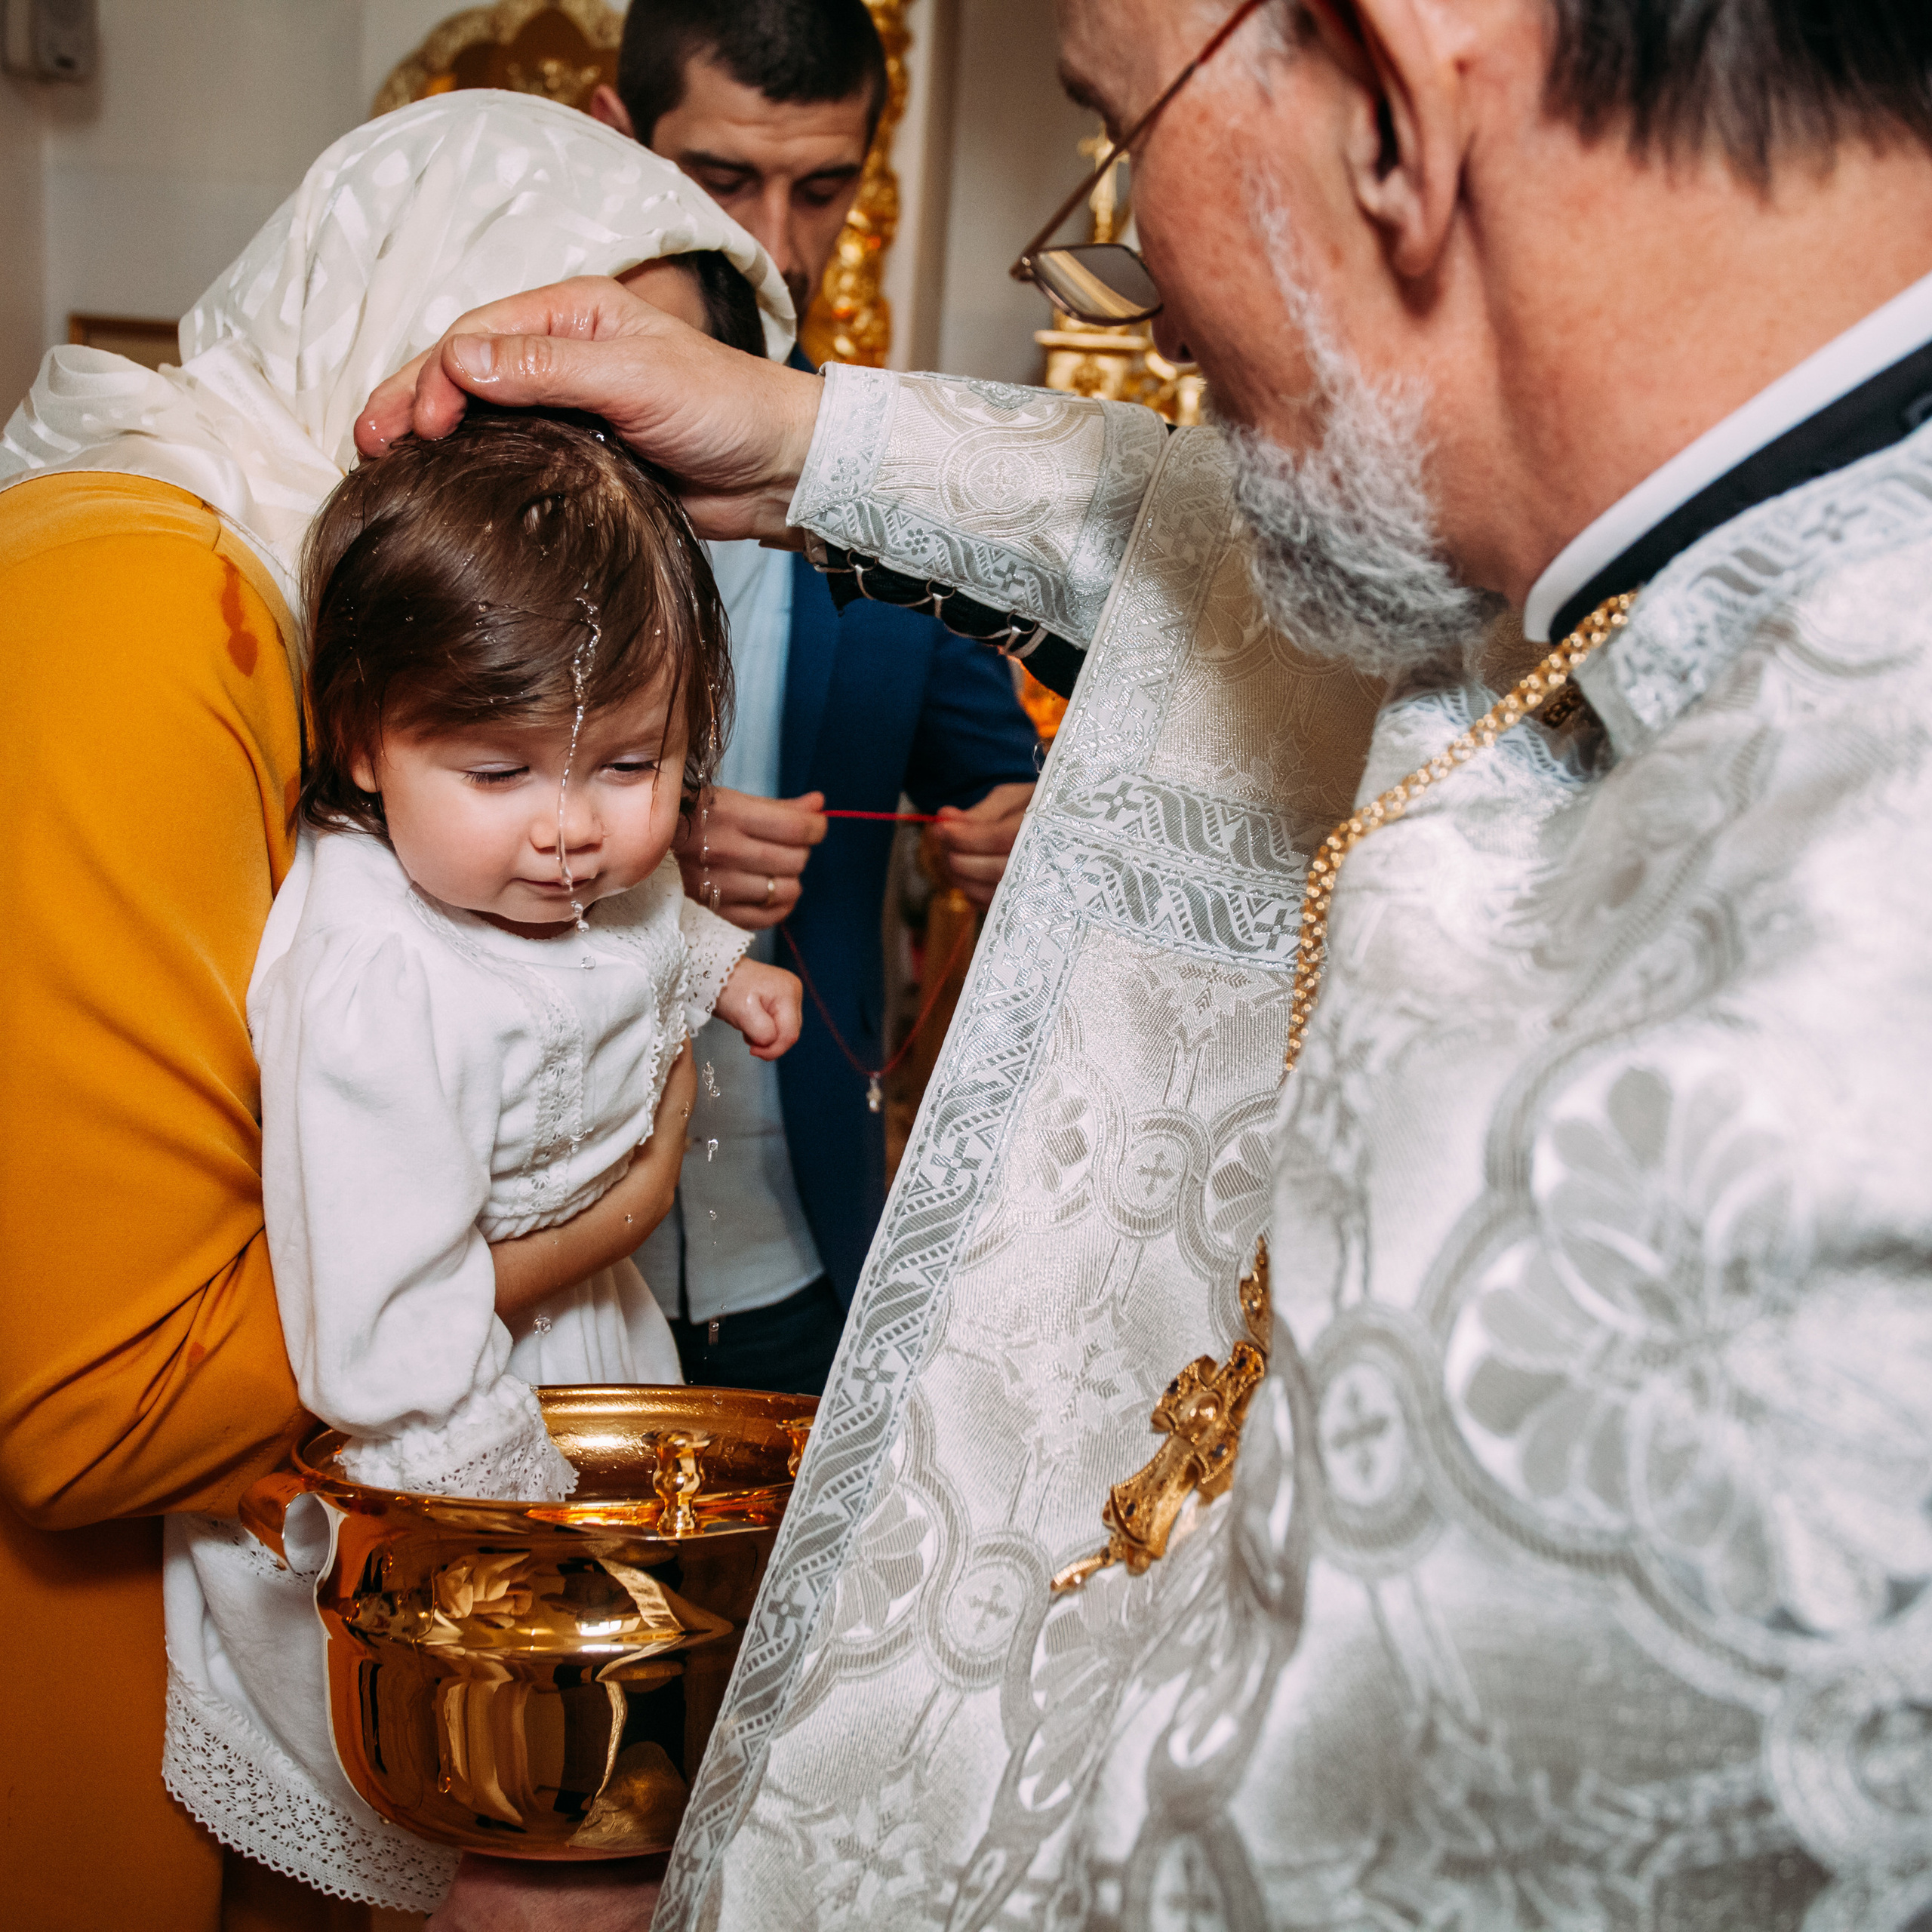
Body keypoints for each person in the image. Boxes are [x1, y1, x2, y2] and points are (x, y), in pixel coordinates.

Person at [365, 0, 1932, 1924]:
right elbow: (1295, 540)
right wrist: (803, 441)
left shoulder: (1840, 1021)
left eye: (1117, 152)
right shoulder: (1663, 535)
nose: (1149, 306)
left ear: (1389, 101)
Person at [0, 94, 792, 1930]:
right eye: (564, 412)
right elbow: (96, 1402)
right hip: (121, 1627)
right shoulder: (144, 602)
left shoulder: (291, 599)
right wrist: (595, 1217)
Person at [166, 408, 804, 1909]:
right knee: (481, 1821)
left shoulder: (560, 880)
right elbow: (382, 1330)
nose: (573, 831)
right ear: (364, 741)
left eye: (632, 762)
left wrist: (719, 968)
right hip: (446, 1445)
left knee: (619, 1786)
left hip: (592, 1356)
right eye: (500, 770)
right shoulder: (375, 975)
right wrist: (513, 1526)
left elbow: (627, 939)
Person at [595, 0, 1043, 1396]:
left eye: (823, 189)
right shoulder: (492, 463)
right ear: (618, 137)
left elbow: (1003, 782)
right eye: (724, 179)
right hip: (546, 1264)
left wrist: (1026, 834)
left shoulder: (899, 492)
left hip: (801, 1248)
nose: (778, 247)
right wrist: (643, 844)